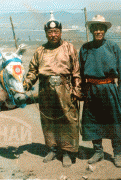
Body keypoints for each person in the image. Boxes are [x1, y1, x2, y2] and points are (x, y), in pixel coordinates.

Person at [23, 12, 82, 168]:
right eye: (50, 32)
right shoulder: (40, 51)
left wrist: (77, 90)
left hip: (65, 89)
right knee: (49, 119)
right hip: (45, 90)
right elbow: (33, 71)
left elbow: (76, 71)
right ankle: (53, 149)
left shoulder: (69, 48)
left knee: (68, 119)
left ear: (60, 32)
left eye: (56, 32)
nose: (53, 35)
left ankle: (68, 152)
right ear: (46, 33)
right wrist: (26, 85)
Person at [79, 15, 121, 168]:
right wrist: (83, 91)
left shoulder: (113, 46)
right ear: (91, 30)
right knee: (92, 120)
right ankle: (98, 151)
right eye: (95, 28)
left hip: (109, 89)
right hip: (91, 90)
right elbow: (81, 72)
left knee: (114, 121)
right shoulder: (85, 48)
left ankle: (117, 154)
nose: (98, 31)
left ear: (105, 30)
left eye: (101, 28)